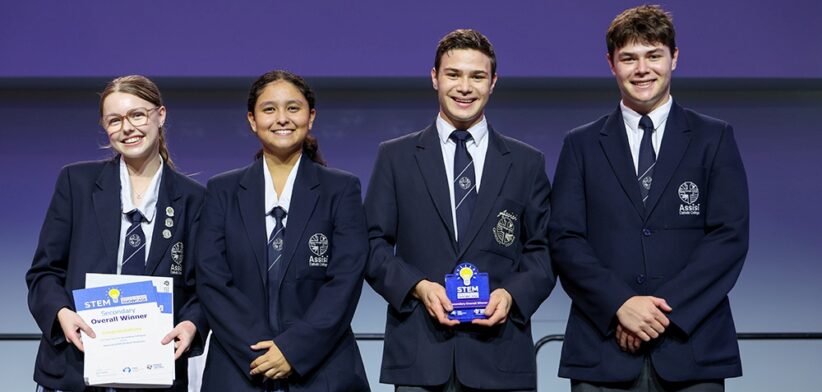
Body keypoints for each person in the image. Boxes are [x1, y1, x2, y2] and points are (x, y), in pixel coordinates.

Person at [548, 5, 749, 391]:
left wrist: (657, 314)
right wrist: (621, 306)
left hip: (692, 349)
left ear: (674, 57)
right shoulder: (581, 145)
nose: (642, 69)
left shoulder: (714, 138)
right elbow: (565, 240)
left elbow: (728, 238)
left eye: (653, 55)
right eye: (629, 58)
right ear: (611, 64)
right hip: (602, 350)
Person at [364, 29, 554, 391]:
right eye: (454, 74)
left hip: (500, 356)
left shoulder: (527, 162)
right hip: (421, 355)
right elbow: (372, 244)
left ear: (493, 82)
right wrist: (417, 287)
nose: (464, 87)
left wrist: (511, 295)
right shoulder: (396, 157)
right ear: (435, 77)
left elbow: (542, 251)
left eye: (477, 76)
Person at [25, 75, 208, 391]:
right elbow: (44, 273)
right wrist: (61, 313)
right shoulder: (77, 184)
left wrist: (192, 325)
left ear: (160, 115)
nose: (127, 127)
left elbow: (203, 288)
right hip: (74, 368)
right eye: (114, 120)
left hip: (155, 373)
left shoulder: (194, 199)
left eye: (137, 115)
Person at [196, 70, 370, 391]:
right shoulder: (222, 190)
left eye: (293, 108)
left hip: (322, 368)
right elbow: (211, 279)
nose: (282, 119)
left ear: (311, 116)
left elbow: (345, 280)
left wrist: (293, 350)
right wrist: (261, 353)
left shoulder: (341, 189)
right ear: (252, 120)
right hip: (239, 367)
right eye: (269, 109)